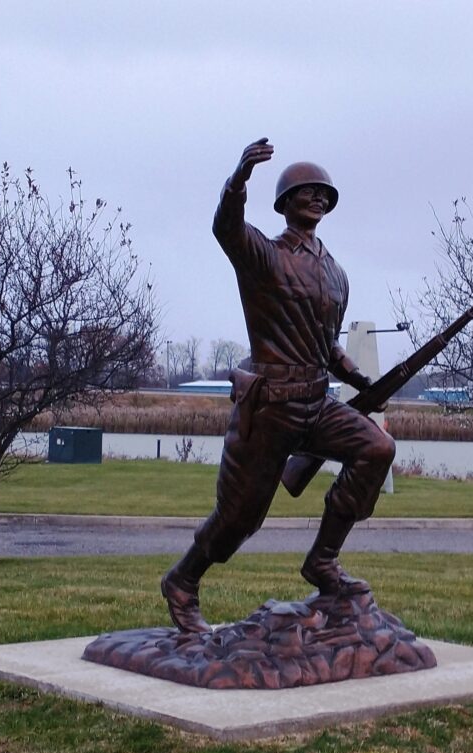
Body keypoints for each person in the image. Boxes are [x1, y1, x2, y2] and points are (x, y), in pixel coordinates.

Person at [160, 138, 395, 633]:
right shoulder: (264, 256)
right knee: (239, 520)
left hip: (315, 401)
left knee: (376, 448)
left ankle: (322, 562)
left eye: (323, 193)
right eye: (306, 192)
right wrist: (238, 180)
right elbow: (225, 228)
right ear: (285, 203)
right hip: (268, 409)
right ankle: (183, 580)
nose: (316, 199)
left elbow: (326, 344)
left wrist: (357, 377)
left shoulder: (336, 274)